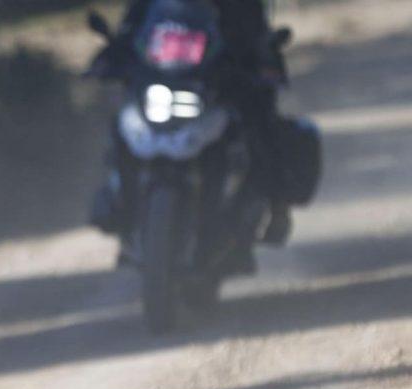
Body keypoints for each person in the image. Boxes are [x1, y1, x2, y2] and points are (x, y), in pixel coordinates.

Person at [91, 0, 294, 248]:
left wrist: (261, 57)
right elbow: (134, 28)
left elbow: (255, 33)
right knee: (123, 119)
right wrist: (116, 51)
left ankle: (277, 206)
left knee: (261, 120)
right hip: (166, 78)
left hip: (221, 81)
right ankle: (118, 201)